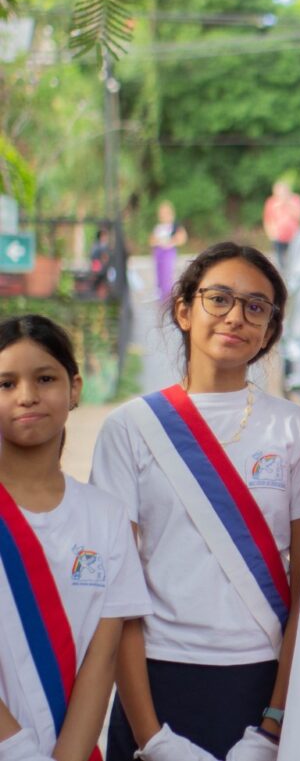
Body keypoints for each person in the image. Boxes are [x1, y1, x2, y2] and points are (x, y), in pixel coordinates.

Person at [91, 243, 300, 761]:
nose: (236, 316)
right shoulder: (129, 429)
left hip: (263, 681)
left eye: (256, 306)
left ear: (270, 329)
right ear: (183, 310)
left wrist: (273, 726)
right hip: (155, 678)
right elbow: (117, 593)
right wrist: (152, 738)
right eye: (218, 298)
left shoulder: (296, 430)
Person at [0, 315, 151, 761]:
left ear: (75, 388)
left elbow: (102, 662)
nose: (27, 396)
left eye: (44, 378)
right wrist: (21, 751)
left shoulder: (105, 517)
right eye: (5, 384)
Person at [149, 202, 187, 303]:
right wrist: (157, 242)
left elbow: (182, 238)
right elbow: (151, 240)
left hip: (168, 252)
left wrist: (170, 242)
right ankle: (160, 295)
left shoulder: (175, 225)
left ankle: (167, 296)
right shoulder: (158, 227)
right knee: (159, 275)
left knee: (167, 275)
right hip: (158, 252)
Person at [262, 183, 300, 272]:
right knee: (280, 262)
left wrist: (288, 204)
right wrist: (271, 235)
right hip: (278, 237)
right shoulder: (271, 202)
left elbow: (299, 216)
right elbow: (268, 220)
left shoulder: (295, 199)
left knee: (294, 260)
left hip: (294, 237)